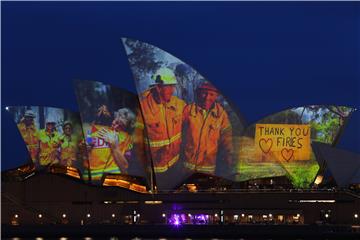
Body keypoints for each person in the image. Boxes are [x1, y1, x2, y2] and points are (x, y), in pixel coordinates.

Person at [137, 67, 186, 175]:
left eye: (173, 86)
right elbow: (137, 143)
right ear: (159, 88)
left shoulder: (179, 104)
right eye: (169, 86)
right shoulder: (142, 108)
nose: (173, 90)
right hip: (155, 170)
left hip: (175, 163)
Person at [182, 82, 233, 177]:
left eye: (211, 94)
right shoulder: (188, 110)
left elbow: (227, 139)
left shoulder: (221, 115)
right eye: (204, 93)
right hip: (186, 169)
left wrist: (230, 159)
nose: (207, 97)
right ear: (199, 93)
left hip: (208, 169)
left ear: (217, 96)